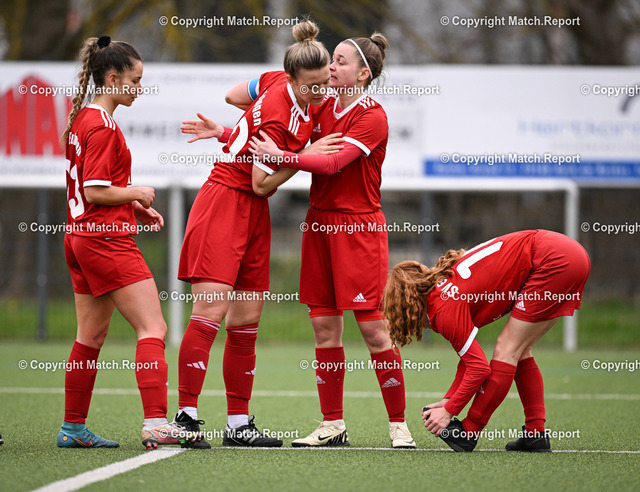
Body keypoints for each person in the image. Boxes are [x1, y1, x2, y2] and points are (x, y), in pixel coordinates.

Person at [247, 33, 415, 449]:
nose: (330, 67)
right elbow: (259, 102)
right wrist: (223, 132)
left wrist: (282, 157)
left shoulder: (372, 116)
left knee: (374, 331)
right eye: (331, 60)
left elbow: (333, 162)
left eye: (339, 61)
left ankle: (399, 425)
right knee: (324, 328)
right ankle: (332, 424)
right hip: (318, 226)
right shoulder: (319, 105)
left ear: (363, 74)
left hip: (358, 230)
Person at [172, 20, 333, 448]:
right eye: (312, 86)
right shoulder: (281, 114)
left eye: (325, 83)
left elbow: (233, 96)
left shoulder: (275, 79)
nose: (321, 92)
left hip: (253, 213)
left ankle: (238, 424)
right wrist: (303, 155)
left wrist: (231, 132)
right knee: (210, 310)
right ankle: (185, 417)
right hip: (226, 201)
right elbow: (262, 182)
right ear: (293, 79)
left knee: (246, 320)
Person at [59, 35, 197, 450]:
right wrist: (136, 192)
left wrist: (133, 206)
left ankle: (72, 428)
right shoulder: (102, 126)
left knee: (90, 336)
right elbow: (96, 190)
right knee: (153, 327)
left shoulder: (84, 118)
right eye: (135, 81)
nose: (139, 88)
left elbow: (93, 188)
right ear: (112, 79)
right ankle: (155, 423)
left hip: (79, 238)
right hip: (105, 240)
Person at [382, 229, 591, 452]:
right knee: (520, 350)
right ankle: (535, 434)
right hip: (568, 253)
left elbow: (479, 368)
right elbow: (468, 360)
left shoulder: (442, 309)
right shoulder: (442, 291)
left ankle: (469, 432)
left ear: (409, 304)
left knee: (507, 349)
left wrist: (449, 411)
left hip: (553, 259)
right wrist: (448, 400)